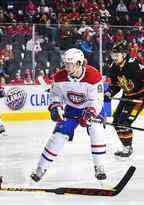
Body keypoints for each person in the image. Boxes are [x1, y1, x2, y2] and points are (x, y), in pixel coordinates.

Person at [31, 48, 107, 182]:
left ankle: (99, 166)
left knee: (97, 131)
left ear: (78, 63)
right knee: (58, 136)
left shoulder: (94, 75)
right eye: (65, 63)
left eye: (69, 64)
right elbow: (55, 95)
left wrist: (90, 113)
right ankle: (40, 169)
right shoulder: (60, 77)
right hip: (72, 109)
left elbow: (98, 100)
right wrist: (55, 106)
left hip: (92, 108)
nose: (66, 67)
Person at [105, 40, 144, 157]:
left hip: (140, 98)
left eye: (117, 55)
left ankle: (128, 148)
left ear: (124, 54)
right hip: (126, 97)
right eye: (113, 55)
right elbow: (115, 86)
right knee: (116, 122)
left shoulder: (134, 65)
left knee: (124, 122)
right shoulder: (114, 67)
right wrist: (109, 93)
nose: (114, 58)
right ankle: (127, 147)